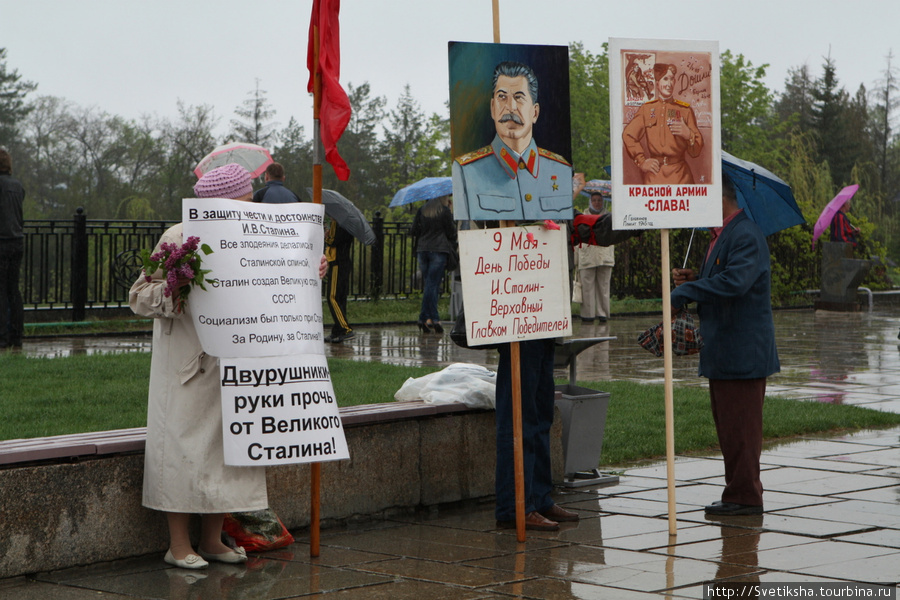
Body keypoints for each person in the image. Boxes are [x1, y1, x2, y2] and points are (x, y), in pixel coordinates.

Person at [130, 163, 305, 570]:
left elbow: (275, 284)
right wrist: (174, 286)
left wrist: (306, 272)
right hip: (189, 364)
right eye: (243, 201)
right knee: (184, 448)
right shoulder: (178, 237)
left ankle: (211, 540)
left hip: (236, 362)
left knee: (225, 451)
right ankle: (177, 546)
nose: (250, 208)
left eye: (249, 201)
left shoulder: (255, 237)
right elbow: (140, 296)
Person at [671, 175, 780, 517]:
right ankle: (738, 491)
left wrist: (686, 292)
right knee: (730, 426)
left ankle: (746, 495)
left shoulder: (745, 234)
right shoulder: (724, 235)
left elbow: (735, 282)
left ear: (717, 198)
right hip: (726, 350)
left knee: (741, 429)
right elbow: (723, 277)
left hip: (742, 351)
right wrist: (696, 280)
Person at [452, 61, 573, 222]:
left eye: (519, 97)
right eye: (502, 97)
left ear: (535, 113)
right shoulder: (466, 172)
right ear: (492, 108)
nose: (510, 107)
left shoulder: (561, 169)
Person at [622, 63, 704, 185]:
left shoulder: (685, 110)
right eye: (665, 79)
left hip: (681, 177)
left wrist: (688, 134)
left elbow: (695, 152)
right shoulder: (647, 109)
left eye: (671, 79)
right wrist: (642, 161)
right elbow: (628, 135)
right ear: (657, 83)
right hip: (654, 176)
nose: (669, 83)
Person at [411, 196, 457, 333]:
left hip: (422, 250)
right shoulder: (444, 211)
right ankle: (434, 318)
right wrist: (450, 211)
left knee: (430, 285)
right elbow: (451, 233)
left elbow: (414, 231)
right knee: (432, 285)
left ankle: (425, 319)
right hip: (438, 250)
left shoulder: (422, 211)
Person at [575, 191, 614, 323]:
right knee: (587, 288)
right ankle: (588, 315)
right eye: (594, 200)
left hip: (605, 256)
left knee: (603, 288)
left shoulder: (609, 217)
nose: (597, 203)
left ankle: (603, 314)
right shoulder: (583, 217)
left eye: (599, 200)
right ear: (590, 202)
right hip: (587, 257)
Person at [0, 149, 25, 350]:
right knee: (13, 290)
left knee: (1, 291)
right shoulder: (17, 185)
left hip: (2, 242)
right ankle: (17, 335)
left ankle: (2, 337)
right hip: (17, 242)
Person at [324, 219, 355, 343]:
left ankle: (346, 329)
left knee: (332, 297)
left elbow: (333, 240)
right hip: (343, 261)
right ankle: (337, 330)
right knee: (340, 298)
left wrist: (326, 235)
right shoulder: (348, 222)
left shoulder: (338, 222)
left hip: (338, 262)